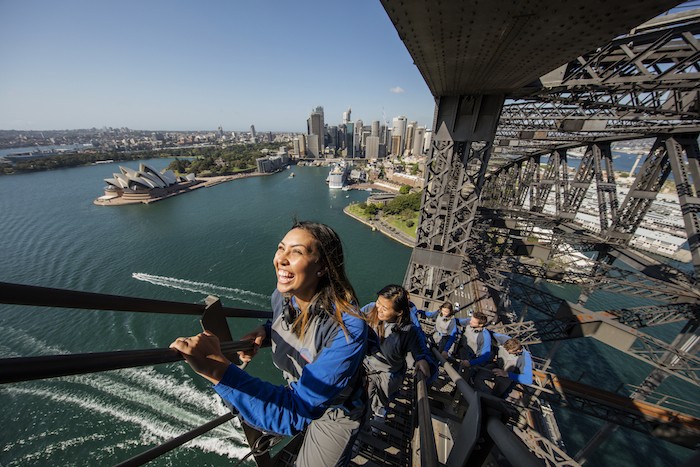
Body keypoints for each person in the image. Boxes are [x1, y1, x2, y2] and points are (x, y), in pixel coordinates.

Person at [170, 221, 368, 467]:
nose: (281, 259)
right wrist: (265, 330)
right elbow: (283, 320)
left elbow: (293, 411)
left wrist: (215, 369)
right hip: (301, 392)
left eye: (296, 252)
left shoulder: (347, 329)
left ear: (323, 267)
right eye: (281, 248)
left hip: (336, 412)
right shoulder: (283, 296)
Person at [361, 285, 435, 418]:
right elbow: (353, 320)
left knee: (379, 405)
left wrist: (422, 359)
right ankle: (366, 425)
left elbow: (421, 349)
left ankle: (377, 419)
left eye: (385, 308)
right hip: (366, 367)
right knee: (363, 402)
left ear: (399, 312)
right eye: (378, 302)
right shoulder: (371, 308)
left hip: (387, 375)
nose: (379, 309)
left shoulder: (408, 330)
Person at [474, 333, 533, 398]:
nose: (507, 352)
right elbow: (490, 333)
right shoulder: (505, 340)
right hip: (496, 365)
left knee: (497, 393)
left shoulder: (525, 358)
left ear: (518, 350)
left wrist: (507, 374)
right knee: (478, 378)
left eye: (510, 352)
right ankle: (481, 394)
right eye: (506, 350)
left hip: (507, 375)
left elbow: (528, 380)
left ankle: (490, 398)